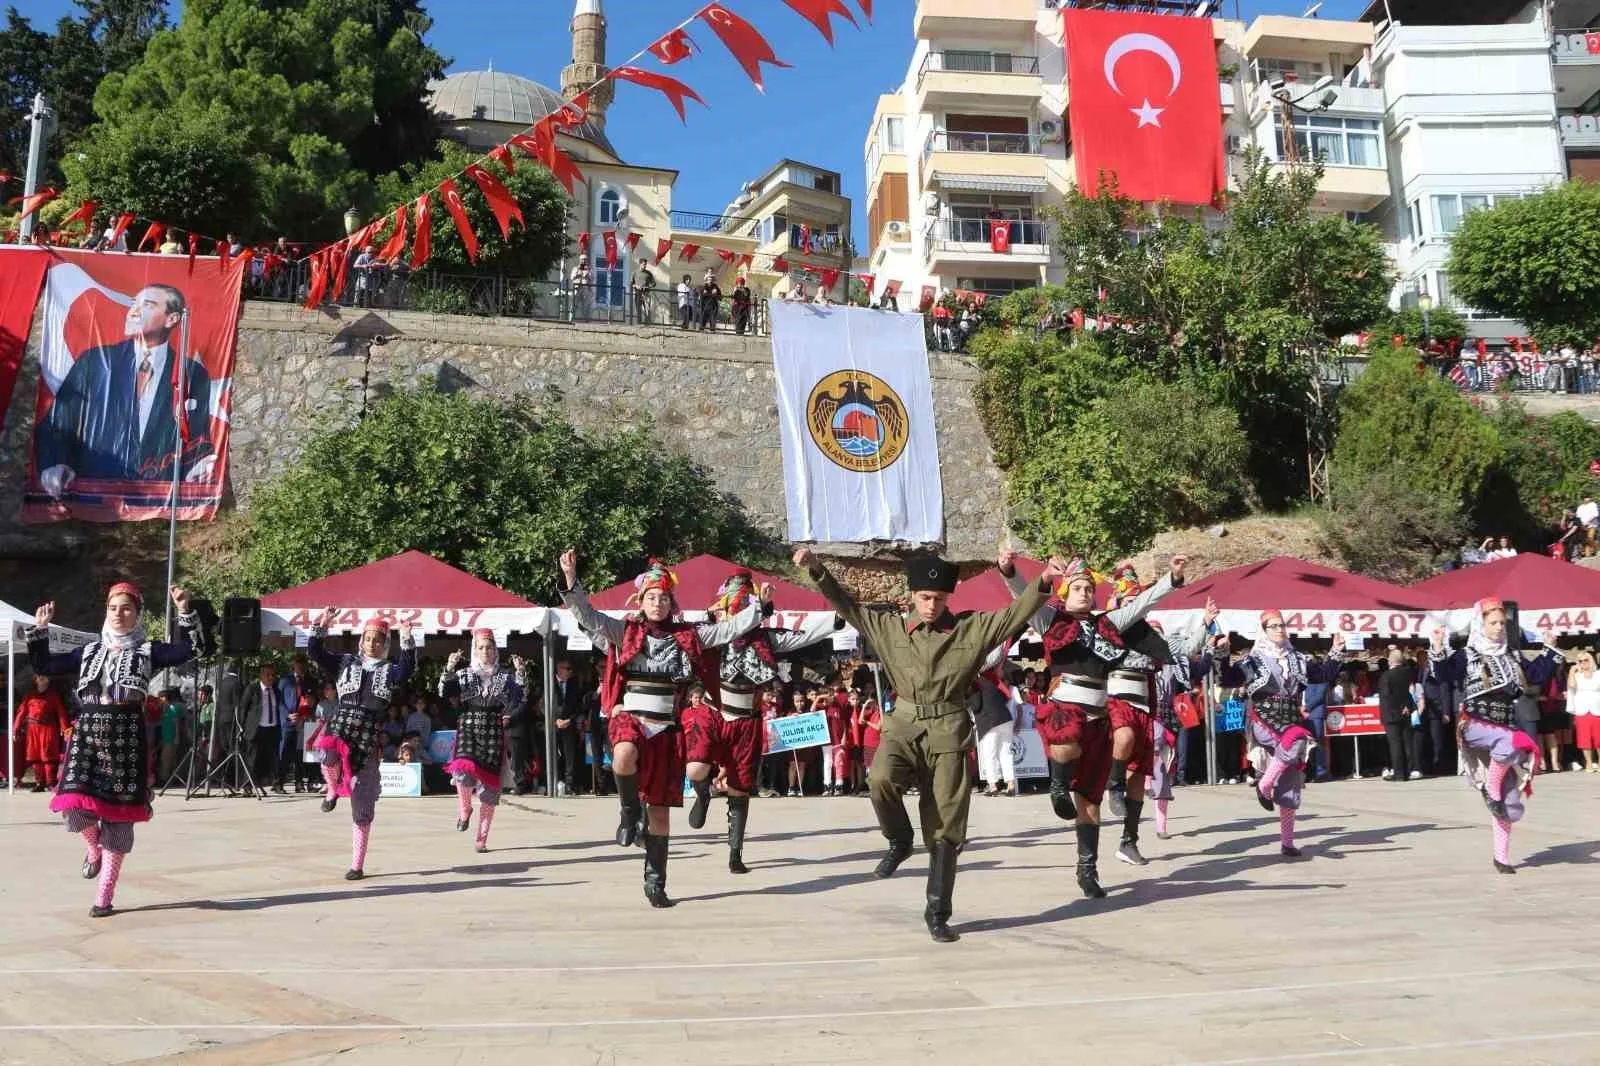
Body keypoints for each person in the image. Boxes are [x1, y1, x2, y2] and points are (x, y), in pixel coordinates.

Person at [797, 545, 1069, 943]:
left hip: (949, 728)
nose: (930, 605)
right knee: (880, 781)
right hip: (903, 724)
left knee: (945, 827)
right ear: (912, 596)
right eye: (924, 598)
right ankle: (899, 840)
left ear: (948, 598)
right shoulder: (887, 627)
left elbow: (1015, 614)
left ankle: (937, 911)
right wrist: (816, 569)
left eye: (938, 598)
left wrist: (1044, 581)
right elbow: (846, 604)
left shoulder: (969, 630)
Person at [558, 551, 762, 908]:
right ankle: (626, 813)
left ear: (671, 602)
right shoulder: (626, 631)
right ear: (641, 600)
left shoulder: (688, 637)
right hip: (631, 717)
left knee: (661, 813)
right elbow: (587, 616)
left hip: (666, 729)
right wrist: (571, 580)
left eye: (663, 598)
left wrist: (758, 607)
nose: (657, 603)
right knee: (622, 754)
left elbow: (728, 628)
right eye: (651, 597)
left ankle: (656, 883)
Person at [1003, 553, 1186, 896]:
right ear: (1066, 591)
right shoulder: (1051, 620)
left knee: (1089, 800)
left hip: (1099, 716)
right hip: (1066, 705)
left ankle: (1087, 869)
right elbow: (1023, 597)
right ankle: (1057, 785)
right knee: (1066, 737)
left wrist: (1171, 581)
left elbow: (1144, 604)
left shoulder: (1108, 624)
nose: (1085, 592)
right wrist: (1010, 571)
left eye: (1090, 588)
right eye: (1079, 587)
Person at [27, 584, 211, 918]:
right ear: (106, 611)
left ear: (137, 613)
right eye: (113, 607)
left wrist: (185, 610)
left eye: (126, 608)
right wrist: (41, 629)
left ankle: (105, 893)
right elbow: (44, 665)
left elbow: (192, 649)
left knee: (119, 818)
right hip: (88, 737)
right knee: (72, 805)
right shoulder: (88, 651)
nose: (119, 613)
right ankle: (92, 847)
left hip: (126, 739)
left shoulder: (147, 651)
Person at [684, 570, 837, 873]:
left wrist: (838, 618)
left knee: (741, 786)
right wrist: (708, 614)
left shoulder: (765, 640)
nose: (737, 611)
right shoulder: (712, 633)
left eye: (743, 604)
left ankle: (735, 853)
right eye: (732, 604)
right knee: (695, 767)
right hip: (714, 712)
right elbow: (684, 634)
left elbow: (803, 634)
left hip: (746, 720)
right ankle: (702, 793)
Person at [35, 284, 215, 496]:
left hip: (158, 500)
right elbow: (59, 420)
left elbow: (197, 438)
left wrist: (198, 466)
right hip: (91, 496)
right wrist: (56, 463)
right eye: (133, 304)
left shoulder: (192, 374)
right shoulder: (94, 362)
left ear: (172, 319)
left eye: (147, 305)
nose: (134, 311)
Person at [1429, 601, 1561, 873]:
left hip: (1504, 725)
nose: (1499, 628)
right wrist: (1438, 647)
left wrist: (1549, 646)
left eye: (1502, 623)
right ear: (1481, 624)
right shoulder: (1467, 654)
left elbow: (1535, 675)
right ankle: (1491, 790)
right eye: (1493, 623)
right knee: (1512, 743)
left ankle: (1501, 857)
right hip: (1474, 724)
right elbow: (1443, 674)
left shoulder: (1511, 655)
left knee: (1510, 804)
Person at [1217, 613, 1346, 858]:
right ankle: (1265, 785)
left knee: (1291, 777)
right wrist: (1224, 655)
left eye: (1282, 625)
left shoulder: (1297, 658)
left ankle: (1287, 842)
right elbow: (1228, 679)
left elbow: (1323, 675)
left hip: (1290, 717)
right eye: (1273, 626)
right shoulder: (1252, 660)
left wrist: (1336, 650)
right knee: (1298, 741)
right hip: (1263, 717)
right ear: (1263, 630)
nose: (1279, 630)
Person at [305, 610, 417, 880]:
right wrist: (321, 626)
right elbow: (316, 653)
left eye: (378, 640)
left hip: (368, 733)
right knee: (327, 753)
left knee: (362, 802)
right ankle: (332, 790)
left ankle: (357, 864)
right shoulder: (346, 662)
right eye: (368, 639)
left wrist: (406, 638)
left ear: (385, 644)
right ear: (361, 640)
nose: (372, 644)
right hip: (341, 724)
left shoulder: (390, 670)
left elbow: (407, 669)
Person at [439, 630, 527, 852]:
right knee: (461, 770)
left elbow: (520, 698)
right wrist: (449, 668)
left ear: (495, 650)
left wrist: (521, 673)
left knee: (489, 789)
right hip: (468, 725)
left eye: (489, 647)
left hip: (493, 731)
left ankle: (482, 838)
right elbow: (444, 692)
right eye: (481, 648)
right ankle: (465, 809)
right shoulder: (465, 674)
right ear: (474, 650)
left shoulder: (505, 676)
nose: (485, 651)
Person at [1144, 608, 1216, 841]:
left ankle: (1161, 825)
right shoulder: (1137, 661)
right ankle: (1143, 777)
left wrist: (1210, 649)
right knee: (1154, 741)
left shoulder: (1176, 663)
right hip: (1145, 719)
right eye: (1151, 634)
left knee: (1162, 776)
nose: (1155, 639)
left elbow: (1200, 669)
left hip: (1169, 720)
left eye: (1158, 634)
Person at [13, 674, 68, 791]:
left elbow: (60, 712)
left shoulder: (53, 696)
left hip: (48, 729)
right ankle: (40, 783)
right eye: (39, 677)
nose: (42, 680)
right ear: (35, 680)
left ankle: (50, 783)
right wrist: (15, 729)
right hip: (33, 729)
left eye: (44, 678)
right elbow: (21, 712)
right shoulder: (29, 696)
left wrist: (64, 728)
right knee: (35, 756)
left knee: (48, 756)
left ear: (48, 680)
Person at [1378, 646, 1421, 781]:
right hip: (1405, 711)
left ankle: (1399, 773)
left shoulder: (1386, 676)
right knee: (1407, 742)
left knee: (1395, 744)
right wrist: (1406, 706)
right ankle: (1410, 770)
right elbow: (1409, 691)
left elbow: (1386, 696)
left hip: (1391, 713)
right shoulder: (1408, 672)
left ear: (1390, 661)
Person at [242, 664, 285, 794]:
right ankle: (247, 786)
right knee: (252, 758)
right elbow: (243, 708)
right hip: (256, 729)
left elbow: (279, 708)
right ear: (261, 675)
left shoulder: (276, 691)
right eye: (268, 674)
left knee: (274, 758)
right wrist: (243, 727)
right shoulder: (252, 689)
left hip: (272, 728)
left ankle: (276, 784)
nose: (271, 677)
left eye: (273, 675)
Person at [550, 658, 587, 796]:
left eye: (571, 669)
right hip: (551, 724)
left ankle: (569, 784)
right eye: (568, 669)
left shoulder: (574, 684)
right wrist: (554, 720)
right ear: (559, 669)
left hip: (568, 724)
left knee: (569, 756)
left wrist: (569, 720)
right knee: (553, 754)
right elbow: (542, 704)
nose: (571, 672)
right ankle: (554, 782)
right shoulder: (548, 681)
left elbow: (578, 706)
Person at [1569, 650, 1600, 772]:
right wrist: (1572, 671)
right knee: (1584, 738)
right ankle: (1588, 763)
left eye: (1585, 660)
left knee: (1598, 738)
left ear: (1590, 660)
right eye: (1580, 661)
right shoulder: (1577, 676)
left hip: (1597, 708)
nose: (1583, 663)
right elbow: (1571, 686)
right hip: (1582, 709)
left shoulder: (1598, 674)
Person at [632, 258, 655, 324]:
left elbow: (654, 283)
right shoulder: (635, 272)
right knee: (638, 309)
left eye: (645, 264)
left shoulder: (648, 273)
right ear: (640, 264)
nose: (645, 266)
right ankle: (639, 323)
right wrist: (636, 286)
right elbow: (631, 283)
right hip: (637, 293)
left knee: (647, 309)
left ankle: (647, 323)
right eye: (644, 264)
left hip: (646, 293)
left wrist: (647, 287)